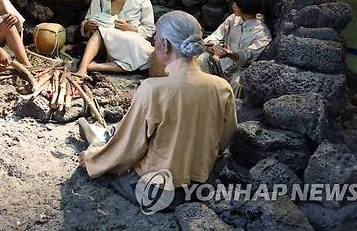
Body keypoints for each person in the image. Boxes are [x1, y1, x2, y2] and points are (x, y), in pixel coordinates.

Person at [78, 11, 237, 204]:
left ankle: (99, 142)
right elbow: (226, 137)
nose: (154, 45)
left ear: (165, 45)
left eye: (155, 40)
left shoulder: (153, 89)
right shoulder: (222, 87)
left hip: (157, 191)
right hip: (201, 186)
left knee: (113, 168)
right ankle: (105, 135)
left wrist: (92, 161)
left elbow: (129, 151)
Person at [75, 0, 155, 76]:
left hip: (127, 45)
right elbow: (88, 20)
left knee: (148, 54)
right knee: (101, 31)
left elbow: (149, 30)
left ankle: (95, 66)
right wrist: (87, 26)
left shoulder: (141, 0)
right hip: (103, 44)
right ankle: (82, 68)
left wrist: (131, 28)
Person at [198, 0, 272, 97]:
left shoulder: (262, 33)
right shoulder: (232, 19)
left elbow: (248, 57)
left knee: (238, 84)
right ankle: (202, 96)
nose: (233, 6)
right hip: (222, 63)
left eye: (236, 4)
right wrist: (215, 45)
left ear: (245, 7)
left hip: (239, 70)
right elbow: (214, 36)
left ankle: (231, 110)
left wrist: (231, 54)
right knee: (202, 59)